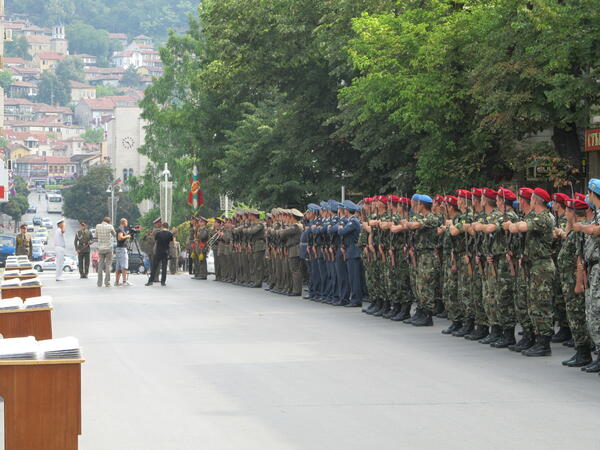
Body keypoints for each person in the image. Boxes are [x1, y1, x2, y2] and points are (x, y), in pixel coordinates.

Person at [146, 222, 173, 286]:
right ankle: (163, 282)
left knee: (154, 267)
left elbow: (156, 241)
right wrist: (170, 253)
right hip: (165, 252)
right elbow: (171, 244)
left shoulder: (158, 233)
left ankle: (150, 281)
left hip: (158, 252)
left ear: (162, 226)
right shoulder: (170, 234)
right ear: (168, 227)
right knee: (164, 268)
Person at [96, 217, 116, 287]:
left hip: (100, 248)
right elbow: (114, 234)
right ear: (109, 222)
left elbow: (96, 235)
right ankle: (107, 282)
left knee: (100, 265)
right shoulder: (110, 226)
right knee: (108, 265)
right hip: (108, 248)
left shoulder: (97, 226)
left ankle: (99, 283)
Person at [115, 218, 132, 286]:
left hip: (119, 248)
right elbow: (120, 238)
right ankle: (124, 281)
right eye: (126, 222)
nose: (127, 223)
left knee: (118, 266)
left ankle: (117, 281)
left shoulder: (120, 229)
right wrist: (127, 236)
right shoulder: (120, 229)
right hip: (122, 249)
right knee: (124, 265)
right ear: (124, 222)